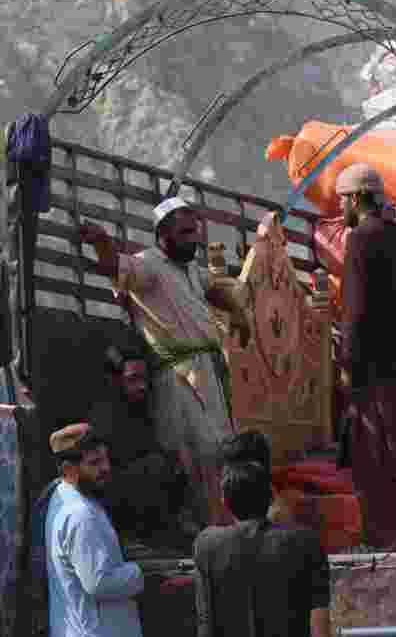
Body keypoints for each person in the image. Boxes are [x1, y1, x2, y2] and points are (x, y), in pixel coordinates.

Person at [79, 195, 249, 527]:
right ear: (163, 234)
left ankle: (224, 525)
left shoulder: (189, 270)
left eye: (193, 229)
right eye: (183, 229)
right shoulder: (149, 265)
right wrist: (102, 242)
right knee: (194, 454)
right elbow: (116, 267)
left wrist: (238, 311)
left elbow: (212, 290)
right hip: (177, 375)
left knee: (221, 451)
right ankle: (205, 531)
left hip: (206, 372)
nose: (193, 235)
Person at [334, 163, 396, 551]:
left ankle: (387, 540)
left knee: (377, 456)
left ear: (357, 199)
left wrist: (347, 365)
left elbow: (355, 311)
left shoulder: (361, 238)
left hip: (372, 371)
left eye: (343, 200)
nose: (342, 208)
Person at [193, 460, 331, 637]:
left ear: (225, 503)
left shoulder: (207, 545)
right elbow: (319, 625)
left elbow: (205, 623)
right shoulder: (306, 543)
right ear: (271, 497)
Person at [41, 423, 145, 637]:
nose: (106, 468)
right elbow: (99, 583)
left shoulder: (65, 495)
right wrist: (140, 573)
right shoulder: (80, 514)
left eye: (106, 459)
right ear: (69, 468)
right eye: (95, 463)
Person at [88, 343, 190, 541]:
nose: (141, 386)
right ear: (117, 381)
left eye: (144, 379)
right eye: (133, 379)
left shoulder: (140, 409)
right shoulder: (106, 415)